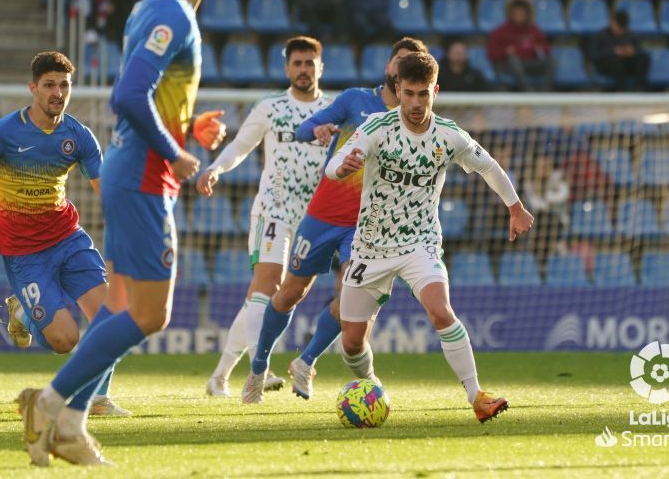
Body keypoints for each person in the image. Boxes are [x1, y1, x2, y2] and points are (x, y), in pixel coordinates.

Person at [17, 0, 230, 467]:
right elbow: (129, 97)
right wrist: (176, 152)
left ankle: (68, 425)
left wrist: (187, 128)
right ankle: (50, 401)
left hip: (130, 169)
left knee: (117, 305)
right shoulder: (175, 15)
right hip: (142, 177)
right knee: (150, 313)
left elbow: (148, 98)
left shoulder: (147, 6)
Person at [325, 51, 531, 422]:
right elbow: (332, 169)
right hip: (370, 247)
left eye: (424, 94)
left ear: (435, 90)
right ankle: (371, 386)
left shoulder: (449, 135)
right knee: (351, 342)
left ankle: (477, 396)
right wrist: (344, 167)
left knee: (441, 311)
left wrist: (515, 207)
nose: (416, 103)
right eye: (409, 94)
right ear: (398, 90)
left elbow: (489, 167)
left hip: (420, 243)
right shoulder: (376, 128)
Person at [242, 37, 429, 404]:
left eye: (412, 64)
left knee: (350, 298)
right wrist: (317, 130)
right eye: (399, 61)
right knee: (290, 293)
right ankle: (258, 368)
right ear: (390, 68)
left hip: (365, 226)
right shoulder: (355, 100)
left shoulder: (416, 123)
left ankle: (306, 360)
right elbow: (300, 130)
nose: (403, 68)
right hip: (323, 215)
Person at [0, 52, 131, 423]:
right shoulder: (3, 133)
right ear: (33, 88)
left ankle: (98, 398)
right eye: (49, 85)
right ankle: (23, 311)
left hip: (68, 239)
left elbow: (105, 191)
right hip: (25, 254)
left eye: (64, 85)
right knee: (65, 340)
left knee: (114, 317)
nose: (57, 92)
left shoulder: (78, 136)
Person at [200, 36, 332, 398]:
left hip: (314, 218)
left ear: (321, 67)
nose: (304, 70)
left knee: (271, 298)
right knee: (268, 284)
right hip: (273, 209)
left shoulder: (334, 110)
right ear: (286, 68)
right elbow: (241, 145)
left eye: (310, 63)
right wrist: (215, 168)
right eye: (297, 63)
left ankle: (219, 377)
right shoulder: (271, 108)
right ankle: (262, 367)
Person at [487, 0, 553, 91]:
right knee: (513, 60)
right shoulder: (500, 31)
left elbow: (546, 48)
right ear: (510, 13)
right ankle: (528, 91)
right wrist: (505, 52)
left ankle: (545, 92)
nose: (519, 15)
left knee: (552, 61)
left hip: (530, 63)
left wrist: (532, 49)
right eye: (516, 12)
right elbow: (491, 53)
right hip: (509, 66)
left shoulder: (534, 29)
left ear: (527, 13)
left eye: (522, 12)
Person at [587, 10, 650, 91]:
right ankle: (621, 89)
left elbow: (641, 51)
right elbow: (593, 55)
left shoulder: (631, 35)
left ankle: (640, 88)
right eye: (618, 28)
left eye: (623, 29)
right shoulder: (600, 36)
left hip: (627, 65)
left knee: (644, 58)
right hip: (608, 66)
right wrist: (613, 52)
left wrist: (633, 52)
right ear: (612, 22)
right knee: (615, 61)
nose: (620, 31)